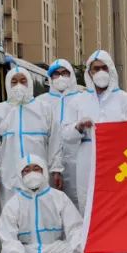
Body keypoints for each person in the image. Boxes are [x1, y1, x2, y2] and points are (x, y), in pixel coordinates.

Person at [62, 49, 127, 253]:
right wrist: (78, 127)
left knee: (124, 217)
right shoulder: (78, 101)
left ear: (111, 70)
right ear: (88, 73)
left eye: (103, 68)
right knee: (91, 219)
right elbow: (65, 135)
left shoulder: (126, 101)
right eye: (95, 69)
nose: (100, 73)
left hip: (121, 166)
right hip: (88, 163)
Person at [0, 153, 92, 253]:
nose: (32, 173)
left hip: (54, 249)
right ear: (20, 174)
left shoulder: (59, 197)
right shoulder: (13, 204)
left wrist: (80, 248)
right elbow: (8, 239)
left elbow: (75, 228)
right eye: (26, 170)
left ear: (44, 171)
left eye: (36, 169)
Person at [0, 65, 62, 207]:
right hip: (10, 176)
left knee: (41, 212)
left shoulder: (44, 109)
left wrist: (56, 169)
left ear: (29, 83)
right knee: (12, 214)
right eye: (14, 82)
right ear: (8, 84)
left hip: (40, 174)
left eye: (23, 81)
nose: (19, 85)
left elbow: (55, 142)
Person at [35, 58, 83, 204]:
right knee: (50, 201)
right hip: (48, 160)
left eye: (64, 73)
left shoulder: (82, 99)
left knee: (78, 199)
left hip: (77, 159)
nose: (60, 77)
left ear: (71, 75)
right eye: (56, 74)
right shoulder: (40, 102)